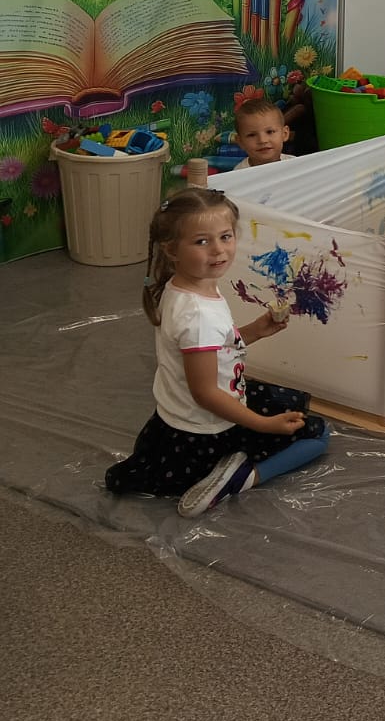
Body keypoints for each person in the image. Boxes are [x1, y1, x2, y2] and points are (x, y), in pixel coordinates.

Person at [103, 188, 330, 518]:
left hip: (177, 420)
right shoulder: (199, 316)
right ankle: (241, 478)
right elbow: (206, 393)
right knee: (317, 435)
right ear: (171, 249)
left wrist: (254, 331)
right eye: (202, 241)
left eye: (225, 236)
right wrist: (263, 424)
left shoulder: (184, 286)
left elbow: (214, 350)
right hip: (206, 431)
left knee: (290, 405)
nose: (219, 250)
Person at [233, 97, 295, 168]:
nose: (262, 140)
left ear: (285, 134)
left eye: (270, 132)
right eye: (252, 135)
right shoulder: (239, 173)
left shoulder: (297, 166)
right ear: (240, 142)